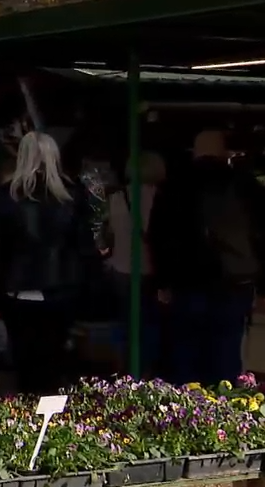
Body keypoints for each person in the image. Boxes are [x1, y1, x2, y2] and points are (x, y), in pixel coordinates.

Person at [0, 131, 98, 395]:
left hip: (19, 288)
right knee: (55, 360)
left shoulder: (6, 196)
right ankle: (52, 417)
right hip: (63, 287)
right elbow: (84, 248)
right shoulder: (73, 195)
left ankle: (29, 418)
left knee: (25, 361)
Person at [150, 130, 265, 386]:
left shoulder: (174, 185)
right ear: (224, 152)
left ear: (195, 152)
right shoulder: (247, 186)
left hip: (187, 279)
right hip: (235, 280)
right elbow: (264, 235)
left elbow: (158, 235)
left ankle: (184, 412)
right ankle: (221, 411)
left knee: (184, 352)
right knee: (226, 352)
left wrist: (162, 281)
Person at [104, 152, 166, 378]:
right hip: (150, 270)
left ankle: (122, 369)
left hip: (120, 268)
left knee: (123, 322)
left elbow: (108, 234)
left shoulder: (117, 197)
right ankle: (146, 372)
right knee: (150, 324)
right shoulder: (161, 197)